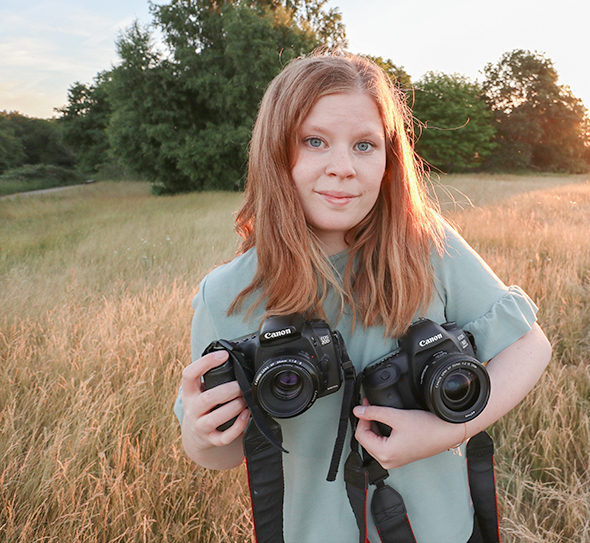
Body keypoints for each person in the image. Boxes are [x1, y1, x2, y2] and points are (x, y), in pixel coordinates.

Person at [174, 51, 552, 543]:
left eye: (365, 146)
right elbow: (224, 455)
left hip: (437, 530)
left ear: (390, 162)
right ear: (275, 153)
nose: (342, 168)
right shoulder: (228, 294)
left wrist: (444, 433)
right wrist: (201, 434)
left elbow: (531, 346)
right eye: (314, 141)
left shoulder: (425, 247)